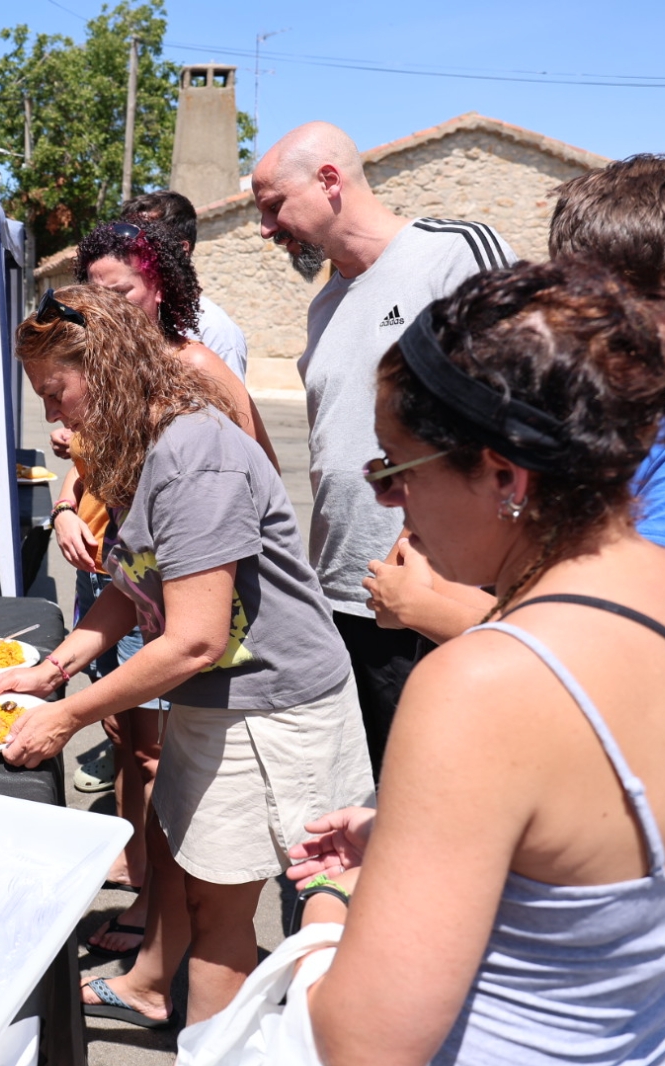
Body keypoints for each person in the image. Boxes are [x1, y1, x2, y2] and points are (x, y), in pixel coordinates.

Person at [282, 259, 665, 1066]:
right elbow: (595, 870)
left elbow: (361, 1043)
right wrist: (409, 838)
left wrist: (332, 902)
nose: (389, 503)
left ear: (505, 476)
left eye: (393, 471)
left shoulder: (483, 685)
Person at [0, 285, 371, 1029]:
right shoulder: (140, 444)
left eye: (55, 391)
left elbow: (193, 637)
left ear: (103, 367)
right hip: (220, 703)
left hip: (275, 712)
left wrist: (65, 717)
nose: (51, 414)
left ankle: (244, 1040)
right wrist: (53, 667)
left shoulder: (194, 453)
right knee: (203, 898)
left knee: (259, 918)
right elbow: (133, 586)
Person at [364, 154, 665, 642]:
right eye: (579, 291)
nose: (603, 320)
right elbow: (409, 558)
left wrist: (427, 610)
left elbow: (647, 644)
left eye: (643, 298)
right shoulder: (520, 404)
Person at [250, 120, 515, 775]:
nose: (265, 228)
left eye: (273, 206)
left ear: (330, 181)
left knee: (442, 783)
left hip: (441, 593)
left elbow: (521, 405)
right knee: (374, 783)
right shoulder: (325, 305)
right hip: (347, 591)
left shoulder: (453, 253)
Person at [52, 219, 279, 960]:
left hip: (208, 623)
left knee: (174, 779)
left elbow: (253, 485)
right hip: (143, 590)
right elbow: (109, 491)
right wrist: (65, 503)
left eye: (117, 293)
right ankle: (153, 919)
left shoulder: (196, 372)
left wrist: (59, 712)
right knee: (138, 748)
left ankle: (157, 936)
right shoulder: (117, 381)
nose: (102, 311)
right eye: (92, 298)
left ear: (162, 284)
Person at [119, 189, 249, 378]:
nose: (129, 248)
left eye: (145, 238)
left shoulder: (213, 330)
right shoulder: (117, 315)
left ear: (181, 250)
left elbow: (229, 407)